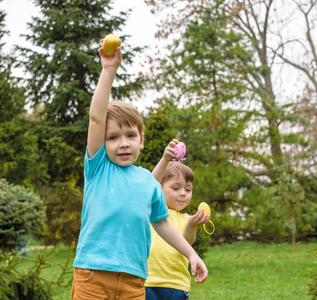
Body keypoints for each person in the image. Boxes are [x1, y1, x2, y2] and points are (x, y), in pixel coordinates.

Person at [70, 43, 208, 300]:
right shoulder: (98, 167)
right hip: (93, 275)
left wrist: (191, 253)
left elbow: (162, 221)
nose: (123, 143)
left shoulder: (148, 181)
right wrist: (109, 70)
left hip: (134, 281)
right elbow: (96, 118)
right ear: (103, 141)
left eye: (130, 135)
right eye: (112, 137)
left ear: (141, 139)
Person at [145, 139, 211, 300]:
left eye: (188, 189)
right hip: (147, 281)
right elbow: (149, 185)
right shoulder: (148, 211)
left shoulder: (185, 218)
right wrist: (165, 159)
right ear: (159, 188)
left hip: (176, 283)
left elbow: (185, 243)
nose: (183, 193)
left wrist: (192, 225)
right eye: (176, 188)